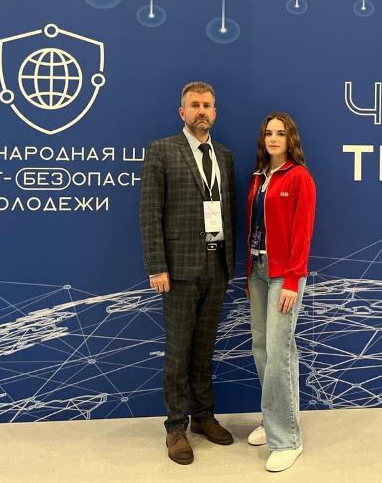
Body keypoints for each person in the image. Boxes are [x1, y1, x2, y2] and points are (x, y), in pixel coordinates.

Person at [139, 81, 237, 465]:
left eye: (207, 105)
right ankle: (176, 426)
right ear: (182, 112)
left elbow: (228, 212)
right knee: (178, 352)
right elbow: (150, 212)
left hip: (216, 267)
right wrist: (157, 265)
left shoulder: (224, 156)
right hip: (178, 270)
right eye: (194, 105)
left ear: (215, 112)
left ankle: (203, 416)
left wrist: (230, 265)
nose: (201, 111)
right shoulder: (161, 150)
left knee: (205, 349)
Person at [245, 112, 316, 472]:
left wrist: (291, 279)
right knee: (261, 348)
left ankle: (287, 439)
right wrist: (248, 272)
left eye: (280, 133)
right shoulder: (259, 177)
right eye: (268, 133)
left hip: (283, 275)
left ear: (290, 139)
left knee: (279, 353)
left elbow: (302, 232)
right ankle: (272, 419)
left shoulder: (299, 177)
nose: (273, 138)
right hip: (257, 271)